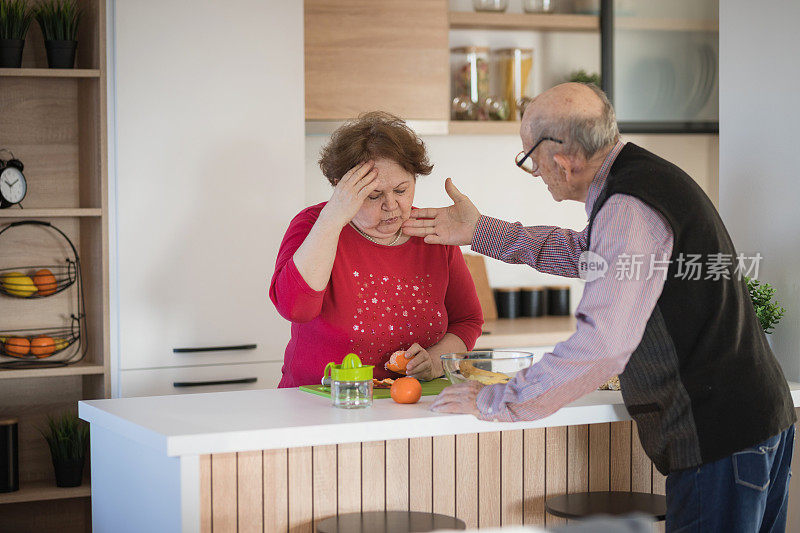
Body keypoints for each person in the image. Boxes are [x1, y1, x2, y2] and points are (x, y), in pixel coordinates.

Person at [402, 83, 796, 532]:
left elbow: (602, 345)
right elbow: (585, 251)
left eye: (530, 160)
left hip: (722, 438)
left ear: (565, 162)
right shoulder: (642, 179)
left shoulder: (628, 205)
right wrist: (480, 230)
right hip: (756, 422)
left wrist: (497, 399)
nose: (533, 173)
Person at [270, 111, 483, 388]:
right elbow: (296, 308)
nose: (391, 205)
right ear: (341, 188)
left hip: (409, 403)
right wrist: (333, 218)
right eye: (373, 195)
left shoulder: (432, 231)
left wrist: (433, 362)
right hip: (320, 404)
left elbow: (467, 320)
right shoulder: (314, 225)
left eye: (401, 190)